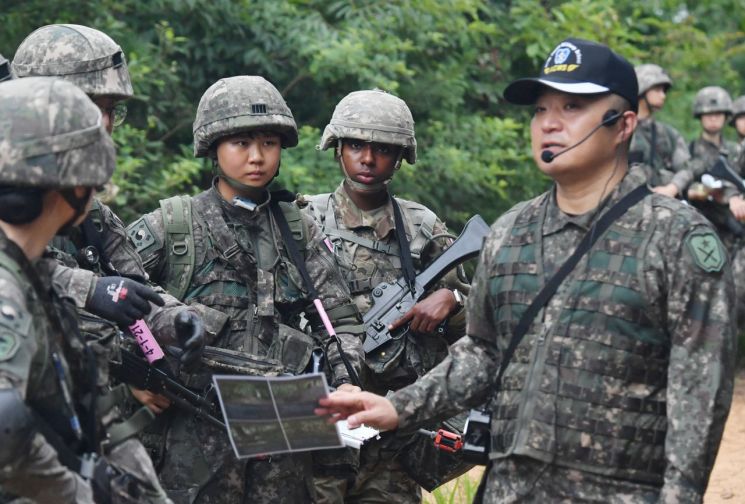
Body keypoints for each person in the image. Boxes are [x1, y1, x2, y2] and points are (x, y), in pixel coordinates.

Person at [317, 37, 736, 503]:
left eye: (573, 107)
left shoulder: (676, 241)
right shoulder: (509, 235)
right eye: (540, 110)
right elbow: (482, 356)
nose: (550, 124)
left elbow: (698, 397)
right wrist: (396, 408)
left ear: (624, 124)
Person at [126, 75, 364, 503]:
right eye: (241, 144)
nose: (257, 157)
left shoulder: (297, 229)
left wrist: (346, 380)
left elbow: (340, 321)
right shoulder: (174, 226)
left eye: (269, 143)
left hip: (282, 442)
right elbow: (113, 302)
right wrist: (132, 376)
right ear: (213, 148)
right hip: (191, 440)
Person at [301, 89, 471, 502]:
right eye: (356, 145)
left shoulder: (422, 227)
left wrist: (451, 301)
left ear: (399, 156)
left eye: (382, 148)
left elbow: (476, 329)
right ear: (337, 148)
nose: (368, 158)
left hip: (392, 433)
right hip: (318, 423)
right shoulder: (304, 220)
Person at [0, 76, 123, 503]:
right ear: (75, 186)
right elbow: (4, 425)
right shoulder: (7, 289)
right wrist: (74, 492)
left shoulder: (31, 270)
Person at [629, 63, 700, 197]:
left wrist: (672, 188)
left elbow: (686, 169)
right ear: (641, 90)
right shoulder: (620, 130)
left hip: (661, 204)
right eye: (657, 90)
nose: (663, 96)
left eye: (663, 91)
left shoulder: (668, 134)